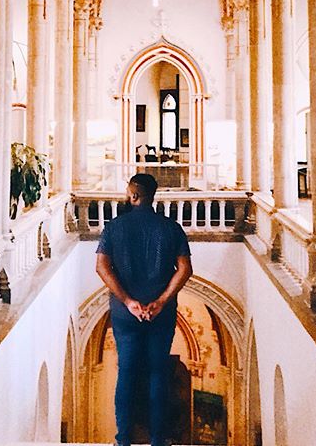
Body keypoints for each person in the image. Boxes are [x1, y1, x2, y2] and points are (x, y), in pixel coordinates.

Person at [96, 173, 193, 446]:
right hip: (161, 314)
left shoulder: (114, 228)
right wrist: (161, 301)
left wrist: (128, 301)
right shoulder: (171, 228)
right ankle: (158, 440)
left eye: (129, 192)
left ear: (134, 195)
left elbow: (101, 266)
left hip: (125, 313)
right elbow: (184, 269)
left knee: (126, 371)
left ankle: (123, 439)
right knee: (158, 373)